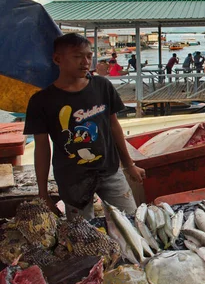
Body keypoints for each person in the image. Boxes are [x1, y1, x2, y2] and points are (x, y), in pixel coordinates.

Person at [23, 33, 144, 220]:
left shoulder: (102, 86)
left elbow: (114, 127)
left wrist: (129, 165)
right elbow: (42, 147)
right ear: (57, 59)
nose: (85, 62)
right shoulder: (41, 101)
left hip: (110, 170)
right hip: (72, 179)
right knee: (81, 234)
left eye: (89, 56)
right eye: (77, 56)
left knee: (131, 221)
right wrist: (43, 193)